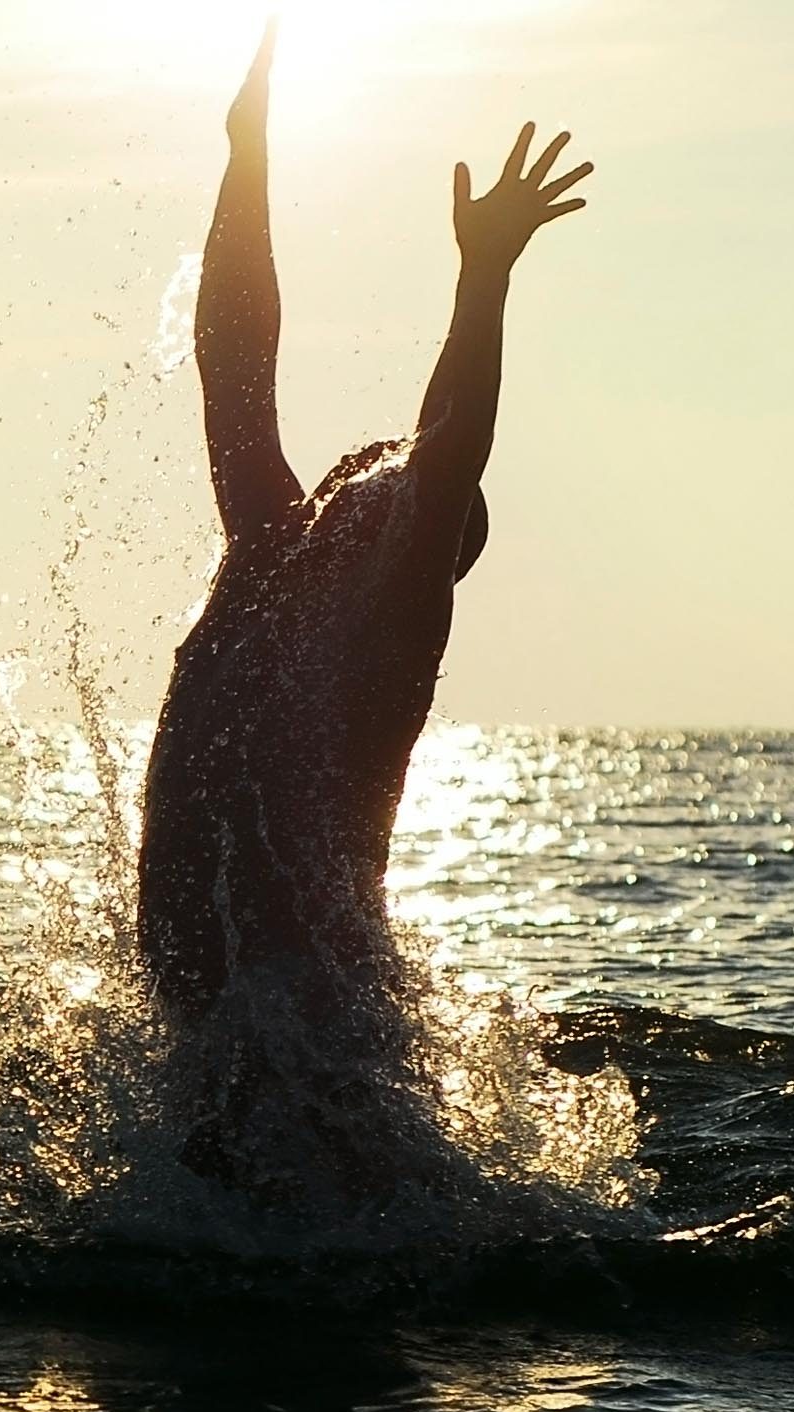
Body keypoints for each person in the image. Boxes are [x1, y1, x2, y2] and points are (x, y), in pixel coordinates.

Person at [134, 26, 590, 1188]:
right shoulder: (267, 554)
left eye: (393, 483)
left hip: (319, 1021)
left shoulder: (390, 626)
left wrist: (482, 279)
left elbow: (452, 445)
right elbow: (232, 359)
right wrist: (246, 156)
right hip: (214, 1008)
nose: (365, 467)